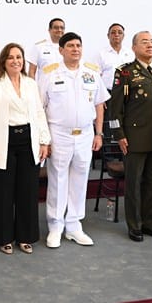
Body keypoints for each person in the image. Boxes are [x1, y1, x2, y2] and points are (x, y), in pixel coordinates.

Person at [0, 43, 51, 255]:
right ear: (3, 61)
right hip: (3, 141)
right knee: (3, 192)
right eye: (10, 57)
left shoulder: (30, 84)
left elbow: (39, 113)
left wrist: (44, 141)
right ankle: (4, 237)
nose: (15, 61)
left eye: (19, 57)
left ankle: (26, 236)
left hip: (28, 141)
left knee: (27, 191)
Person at [39, 32, 109, 248]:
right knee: (58, 180)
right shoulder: (49, 74)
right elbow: (40, 107)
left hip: (86, 134)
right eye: (70, 46)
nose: (75, 49)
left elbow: (99, 104)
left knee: (80, 180)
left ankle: (74, 225)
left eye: (78, 45)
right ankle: (55, 226)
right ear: (61, 50)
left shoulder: (91, 73)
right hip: (59, 134)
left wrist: (99, 133)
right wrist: (45, 139)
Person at [109, 31, 152, 242]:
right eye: (144, 42)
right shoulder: (125, 73)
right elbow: (115, 109)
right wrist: (119, 134)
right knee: (134, 184)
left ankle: (149, 222)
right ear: (134, 48)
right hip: (134, 138)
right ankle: (134, 225)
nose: (150, 45)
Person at [96, 23, 134, 91]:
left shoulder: (130, 54)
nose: (116, 35)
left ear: (123, 36)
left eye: (120, 32)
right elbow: (96, 76)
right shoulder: (101, 54)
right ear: (108, 36)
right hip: (108, 93)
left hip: (127, 92)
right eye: (113, 32)